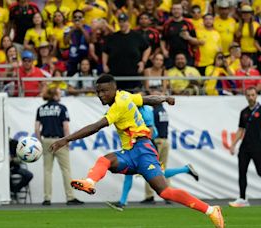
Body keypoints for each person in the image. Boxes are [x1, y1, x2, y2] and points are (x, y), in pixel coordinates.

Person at [50, 74, 224, 228]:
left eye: (104, 91)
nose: (101, 95)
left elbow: (96, 127)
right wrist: (164, 98)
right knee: (106, 160)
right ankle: (89, 182)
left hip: (144, 150)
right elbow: (146, 99)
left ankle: (211, 210)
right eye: (98, 92)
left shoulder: (117, 106)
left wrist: (65, 139)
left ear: (114, 89)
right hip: (131, 152)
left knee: (164, 192)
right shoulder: (125, 95)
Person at [35, 87, 84, 206]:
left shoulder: (41, 109)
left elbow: (36, 129)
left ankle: (47, 198)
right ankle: (70, 197)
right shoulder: (62, 108)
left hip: (46, 140)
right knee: (66, 170)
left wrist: (40, 142)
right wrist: (67, 141)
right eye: (59, 93)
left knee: (47, 171)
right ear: (55, 96)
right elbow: (66, 127)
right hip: (60, 140)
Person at [229, 87, 261, 208]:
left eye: (253, 95)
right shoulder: (244, 112)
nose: (251, 97)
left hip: (258, 146)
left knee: (260, 171)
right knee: (242, 172)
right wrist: (233, 144)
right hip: (245, 147)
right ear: (245, 96)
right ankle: (242, 198)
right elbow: (241, 130)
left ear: (256, 95)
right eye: (248, 95)